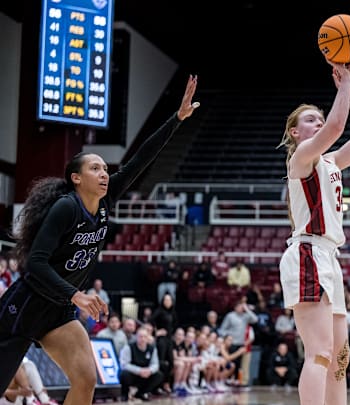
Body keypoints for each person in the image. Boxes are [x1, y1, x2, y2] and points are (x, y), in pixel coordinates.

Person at [0, 75, 200, 403]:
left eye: (105, 168)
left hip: (58, 311)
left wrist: (176, 119)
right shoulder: (66, 207)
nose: (104, 172)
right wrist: (76, 295)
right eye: (95, 168)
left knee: (85, 378)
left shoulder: (105, 203)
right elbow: (35, 263)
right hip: (25, 306)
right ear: (76, 178)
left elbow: (140, 160)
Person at [277, 56, 350, 405]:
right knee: (319, 351)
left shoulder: (331, 161)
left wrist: (348, 93)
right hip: (307, 252)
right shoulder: (302, 157)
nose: (318, 122)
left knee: (339, 357)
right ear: (295, 132)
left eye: (320, 118)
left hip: (328, 256)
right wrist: (344, 84)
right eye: (310, 120)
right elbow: (336, 127)